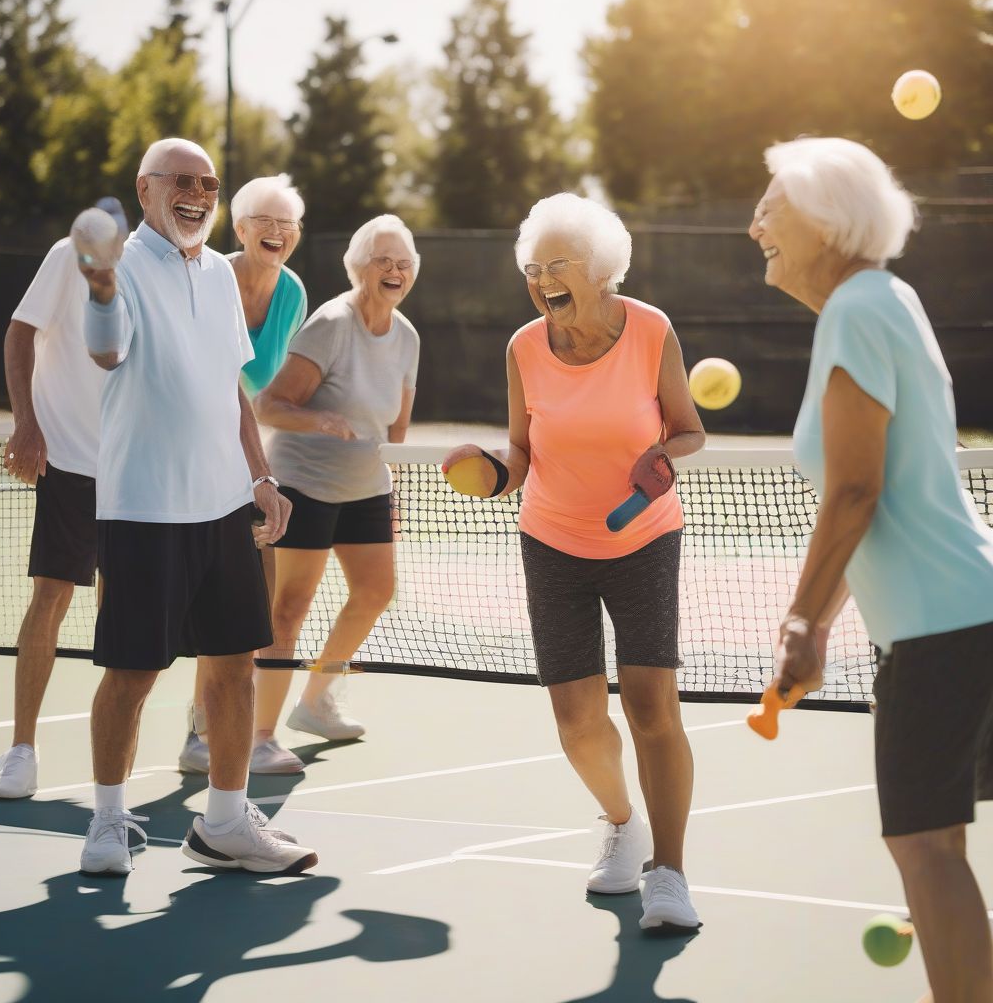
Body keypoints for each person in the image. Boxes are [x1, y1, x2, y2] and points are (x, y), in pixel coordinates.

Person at [750, 137, 993, 1001]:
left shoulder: (859, 308)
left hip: (944, 632)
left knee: (924, 845)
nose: (755, 226)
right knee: (937, 845)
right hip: (962, 616)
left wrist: (802, 624)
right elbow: (878, 499)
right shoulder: (889, 299)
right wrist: (824, 622)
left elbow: (855, 488)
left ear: (823, 217)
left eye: (771, 207)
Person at [444, 193, 706, 932]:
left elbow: (689, 431)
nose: (542, 279)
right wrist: (498, 473)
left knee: (652, 707)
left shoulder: (652, 331)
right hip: (552, 540)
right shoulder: (524, 348)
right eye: (533, 267)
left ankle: (671, 874)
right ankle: (625, 823)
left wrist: (663, 457)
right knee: (576, 720)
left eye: (557, 264)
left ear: (601, 269)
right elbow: (522, 450)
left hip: (644, 538)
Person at [78, 137, 315, 877]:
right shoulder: (123, 265)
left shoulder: (218, 273)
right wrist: (104, 290)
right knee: (132, 671)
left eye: (210, 183)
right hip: (144, 505)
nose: (200, 194)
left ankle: (221, 825)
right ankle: (109, 821)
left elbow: (231, 388)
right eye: (183, 181)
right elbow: (108, 353)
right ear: (146, 190)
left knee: (235, 667)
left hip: (223, 508)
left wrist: (261, 479)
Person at [252, 214, 420, 750]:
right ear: (358, 267)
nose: (395, 271)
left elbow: (395, 429)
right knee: (288, 608)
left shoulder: (408, 337)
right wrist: (320, 421)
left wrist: (394, 486)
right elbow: (269, 405)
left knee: (375, 590)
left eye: (404, 262)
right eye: (383, 260)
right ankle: (256, 735)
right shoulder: (329, 325)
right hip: (303, 484)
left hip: (365, 486)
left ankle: (316, 702)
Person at [0, 197, 126, 800]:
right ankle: (21, 751)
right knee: (52, 595)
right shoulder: (65, 256)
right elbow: (21, 332)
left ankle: (134, 765)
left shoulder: (160, 268)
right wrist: (26, 423)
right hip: (68, 458)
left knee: (128, 613)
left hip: (137, 470)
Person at [178, 174, 309, 778]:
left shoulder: (294, 293)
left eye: (286, 223)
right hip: (197, 455)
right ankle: (202, 732)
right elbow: (212, 378)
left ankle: (224, 731)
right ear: (239, 226)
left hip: (253, 462)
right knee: (208, 600)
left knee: (252, 599)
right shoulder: (207, 275)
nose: (276, 232)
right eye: (264, 220)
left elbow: (269, 387)